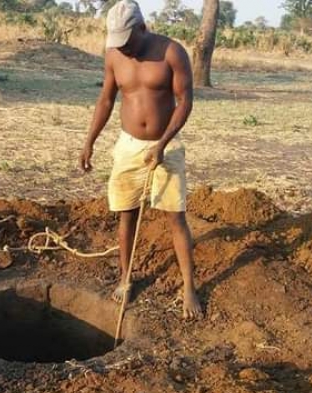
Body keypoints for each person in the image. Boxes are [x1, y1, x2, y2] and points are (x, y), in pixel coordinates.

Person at [79, 0, 203, 319]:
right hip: (128, 146)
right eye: (117, 43)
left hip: (166, 145)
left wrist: (162, 143)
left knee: (175, 216)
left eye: (127, 41)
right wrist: (89, 142)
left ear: (142, 28)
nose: (124, 49)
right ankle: (126, 278)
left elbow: (185, 100)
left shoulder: (171, 53)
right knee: (127, 214)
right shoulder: (114, 56)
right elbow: (106, 99)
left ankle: (189, 286)